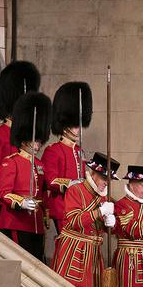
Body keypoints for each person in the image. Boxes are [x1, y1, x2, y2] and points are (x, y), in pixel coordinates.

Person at [51, 153, 119, 287]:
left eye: (109, 179)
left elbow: (99, 227)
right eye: (104, 178)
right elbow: (74, 220)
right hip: (74, 250)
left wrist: (110, 224)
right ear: (93, 173)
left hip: (94, 252)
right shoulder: (76, 190)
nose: (107, 182)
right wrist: (99, 212)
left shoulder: (103, 197)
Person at [0, 92, 51, 261]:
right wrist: (21, 202)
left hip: (35, 223)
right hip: (16, 221)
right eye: (35, 140)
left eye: (39, 141)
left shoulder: (39, 164)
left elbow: (43, 192)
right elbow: (2, 192)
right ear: (24, 139)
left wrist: (45, 211)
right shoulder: (11, 162)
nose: (38, 145)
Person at [42, 81, 92, 234]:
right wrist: (72, 183)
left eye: (79, 125)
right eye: (75, 125)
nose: (78, 130)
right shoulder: (53, 150)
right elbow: (50, 180)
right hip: (63, 207)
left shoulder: (79, 151)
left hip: (81, 208)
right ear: (64, 126)